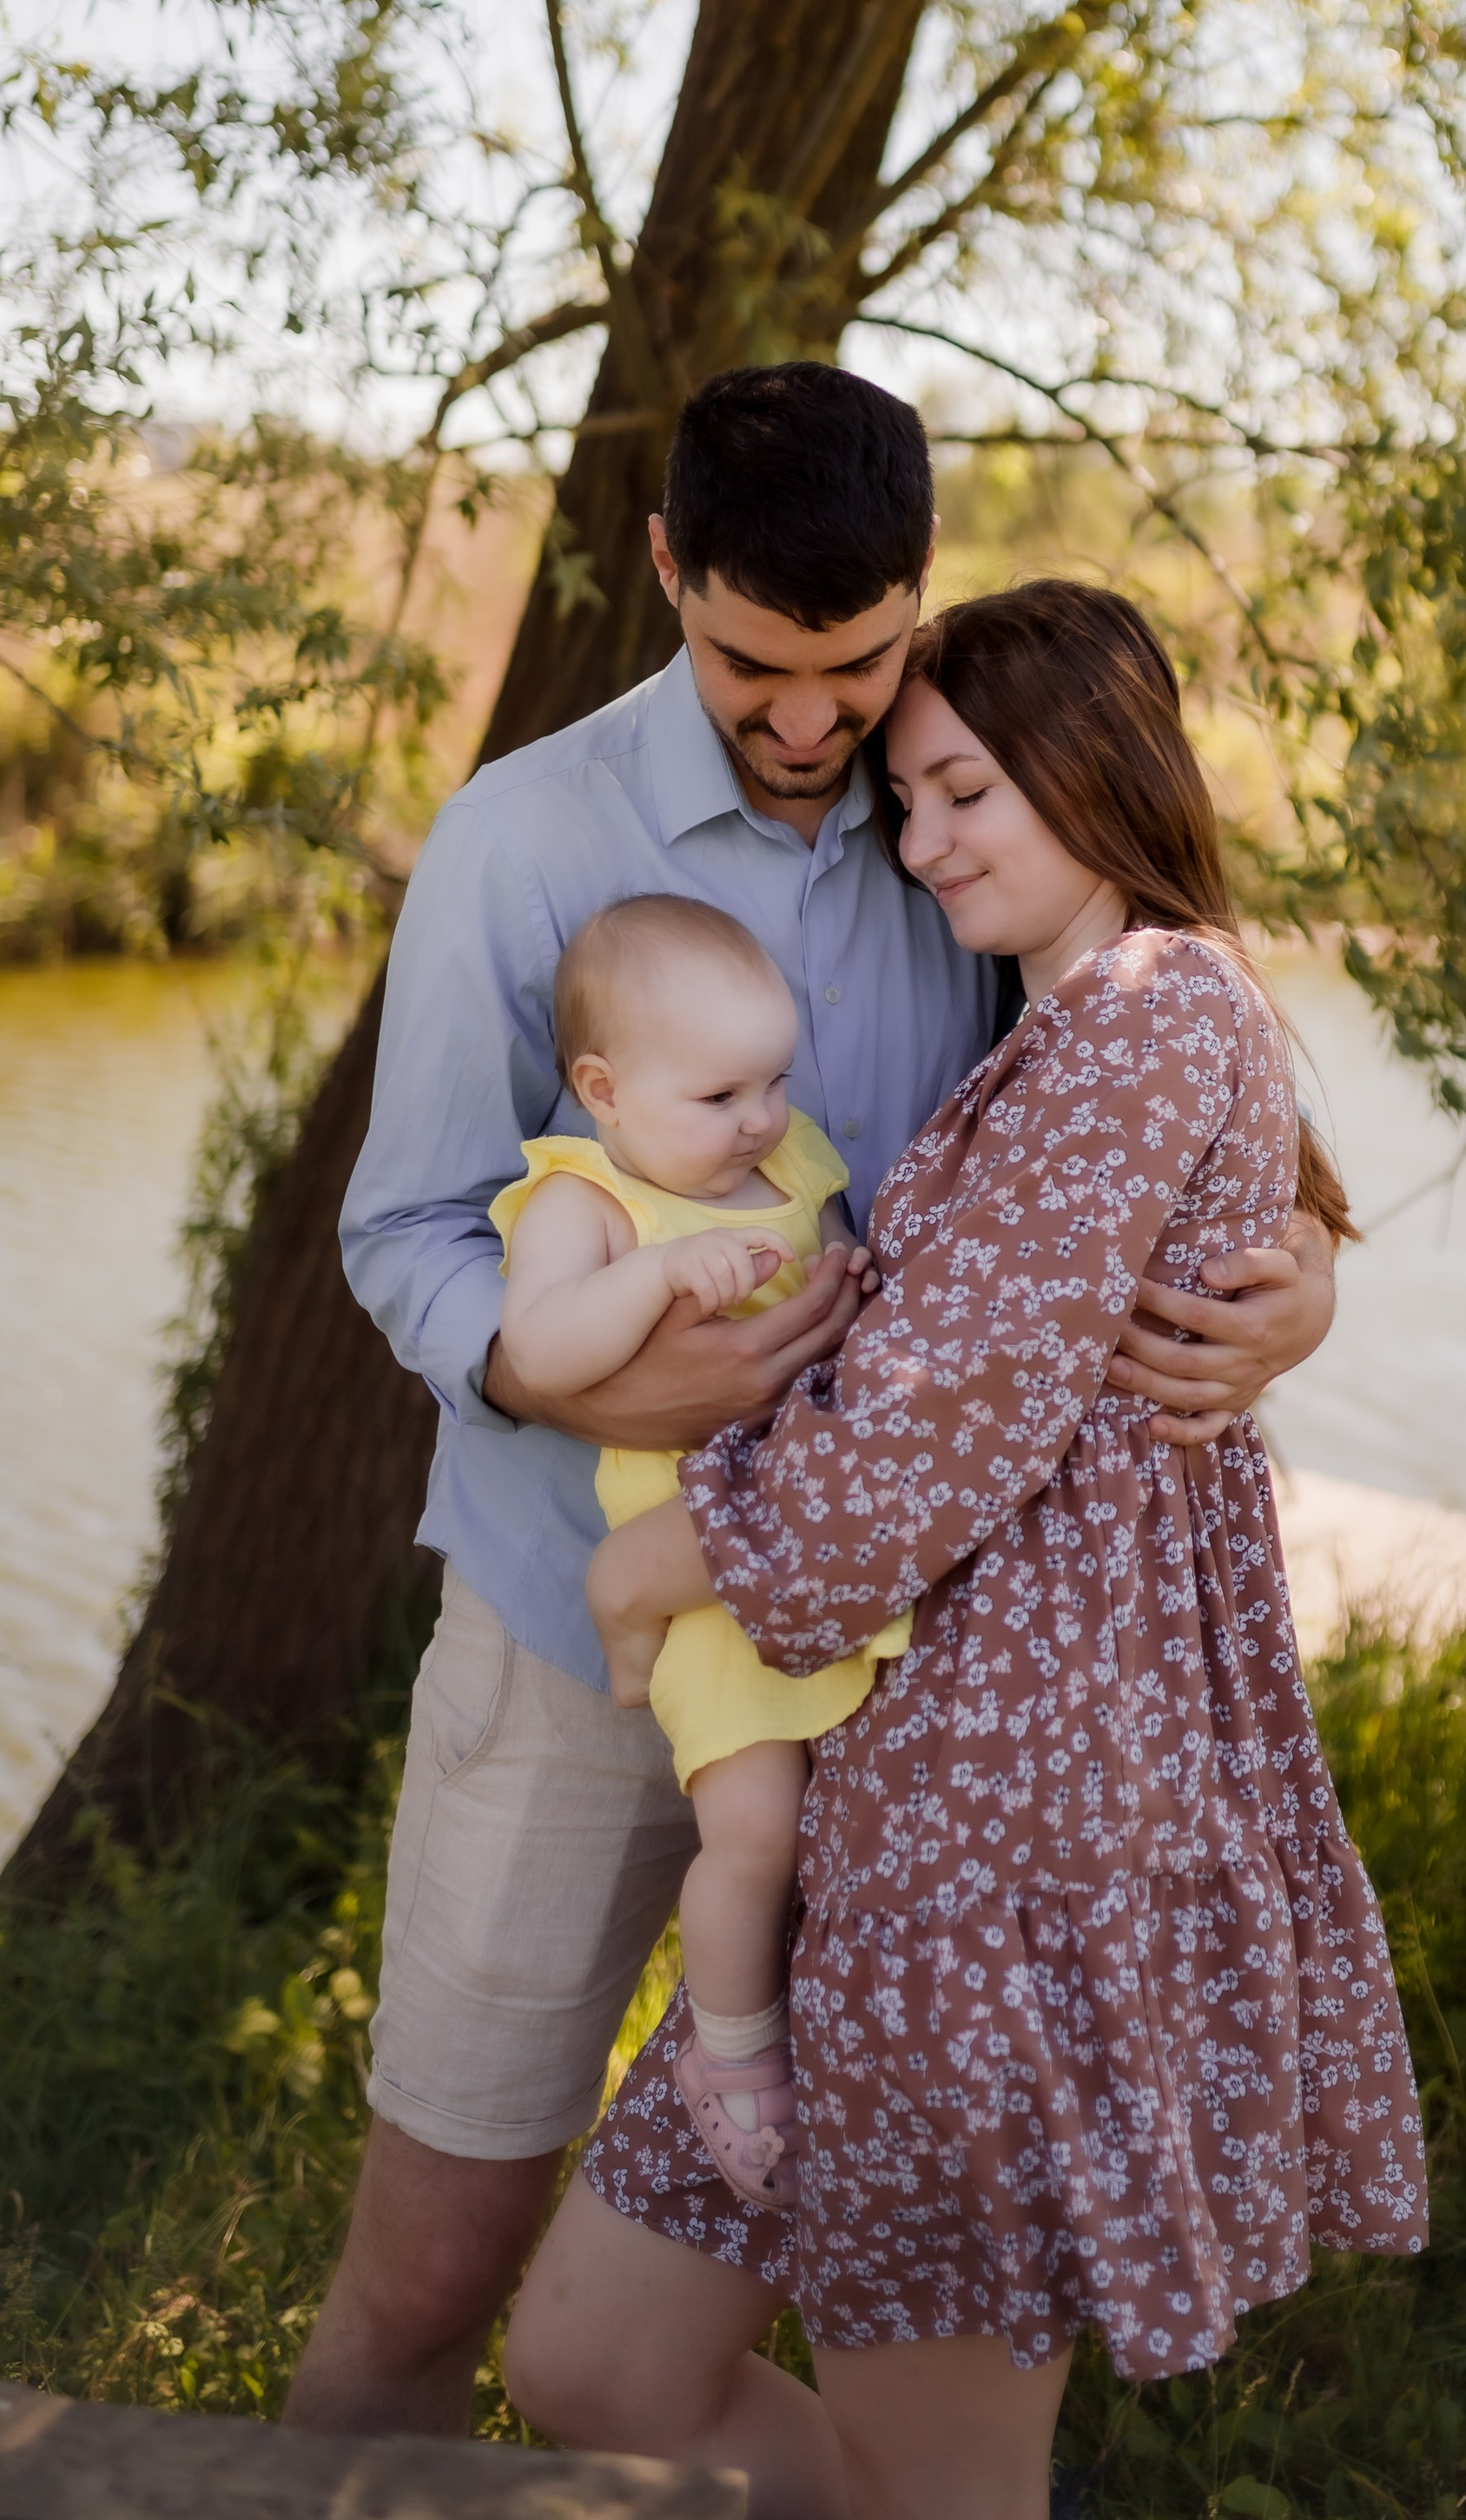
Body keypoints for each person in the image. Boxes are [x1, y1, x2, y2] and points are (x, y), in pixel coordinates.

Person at [289, 367, 1337, 2447]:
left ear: (912, 608)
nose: (803, 724)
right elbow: (404, 1229)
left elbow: (1123, 1140)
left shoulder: (959, 812)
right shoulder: (524, 842)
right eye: (749, 663)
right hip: (584, 1628)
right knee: (430, 2280)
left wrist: (1289, 1290)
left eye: (850, 667)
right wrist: (560, 1358)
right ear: (666, 571)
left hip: (906, 1691)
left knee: (875, 2305)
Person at [504, 582, 1428, 2520]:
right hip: (892, 1822)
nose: (921, 849)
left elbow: (931, 1427)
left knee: (947, 2479)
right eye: (907, 807)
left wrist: (652, 1566)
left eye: (959, 794)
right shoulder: (1083, 1021)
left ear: (1092, 767)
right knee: (591, 2363)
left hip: (991, 1854)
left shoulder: (1150, 1014)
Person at [493, 893, 911, 2209]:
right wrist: (660, 1282)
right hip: (704, 1582)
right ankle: (731, 2055)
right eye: (722, 1092)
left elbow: (849, 1280)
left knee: (849, 1823)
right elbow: (545, 1350)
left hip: (821, 1544)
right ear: (603, 1091)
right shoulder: (590, 1199)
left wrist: (849, 1284)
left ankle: (852, 2062)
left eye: (775, 1080)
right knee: (754, 1831)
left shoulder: (795, 1169)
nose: (760, 1118)